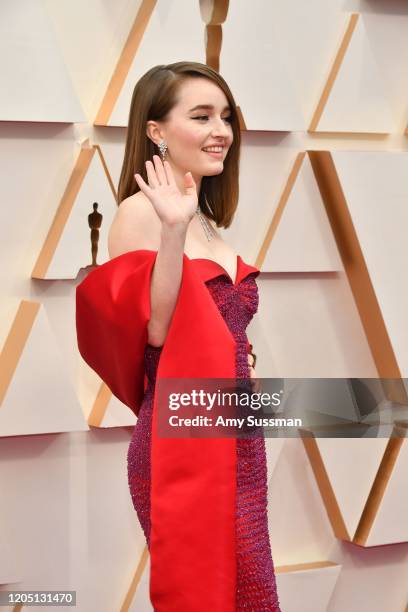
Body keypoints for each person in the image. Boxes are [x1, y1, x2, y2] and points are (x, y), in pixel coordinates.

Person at [76, 61, 280, 611]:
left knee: (252, 595)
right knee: (208, 596)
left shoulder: (207, 217)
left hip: (236, 436)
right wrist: (171, 231)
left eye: (226, 116)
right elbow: (156, 331)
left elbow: (225, 327)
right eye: (201, 116)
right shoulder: (140, 215)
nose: (221, 131)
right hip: (183, 442)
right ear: (156, 131)